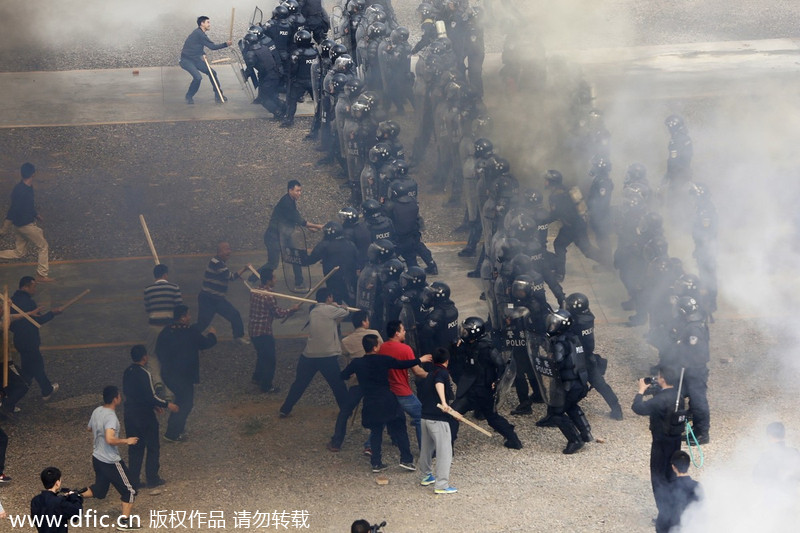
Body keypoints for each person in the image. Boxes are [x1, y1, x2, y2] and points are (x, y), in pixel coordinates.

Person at [340, 334, 432, 472]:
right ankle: (406, 460)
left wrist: (353, 374)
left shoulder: (357, 363)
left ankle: (376, 463)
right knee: (400, 429)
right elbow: (402, 364)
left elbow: (343, 375)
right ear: (376, 347)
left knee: (376, 431)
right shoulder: (383, 360)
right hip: (388, 400)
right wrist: (420, 359)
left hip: (370, 402)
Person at [279, 288, 350, 417]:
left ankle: (285, 409)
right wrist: (342, 306)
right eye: (331, 297)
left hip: (308, 355)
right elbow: (345, 312)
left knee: (299, 383)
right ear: (328, 298)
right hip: (327, 356)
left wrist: (334, 306)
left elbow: (334, 321)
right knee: (337, 385)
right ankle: (346, 410)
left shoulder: (313, 310)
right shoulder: (330, 309)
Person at [632, 365, 684, 524]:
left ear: (662, 378)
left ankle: (665, 517)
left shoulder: (661, 399)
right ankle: (675, 513)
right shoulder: (678, 395)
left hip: (661, 444)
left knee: (659, 479)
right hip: (675, 441)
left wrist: (640, 391)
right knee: (671, 476)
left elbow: (638, 408)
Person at [156, 305, 217, 442]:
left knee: (181, 400)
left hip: (168, 374)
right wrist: (212, 334)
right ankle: (172, 433)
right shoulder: (190, 331)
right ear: (182, 317)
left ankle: (177, 428)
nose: (190, 317)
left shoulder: (166, 331)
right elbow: (206, 343)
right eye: (188, 315)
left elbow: (159, 351)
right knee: (186, 403)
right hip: (185, 375)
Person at [82, 386, 140, 531]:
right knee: (130, 490)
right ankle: (124, 522)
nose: (120, 397)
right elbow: (109, 439)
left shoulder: (97, 411)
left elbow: (89, 428)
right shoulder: (111, 417)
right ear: (115, 398)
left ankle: (71, 495)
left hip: (97, 458)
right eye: (119, 395)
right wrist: (127, 441)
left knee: (100, 490)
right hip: (110, 461)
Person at [122, 345, 178, 490]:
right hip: (145, 417)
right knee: (152, 446)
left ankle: (134, 480)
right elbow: (151, 396)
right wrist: (167, 404)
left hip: (130, 415)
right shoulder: (144, 373)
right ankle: (152, 478)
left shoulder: (127, 372)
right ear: (144, 357)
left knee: (135, 448)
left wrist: (153, 405)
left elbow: (135, 395)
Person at [327, 310, 383, 453]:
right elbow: (381, 351)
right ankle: (374, 443)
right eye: (367, 319)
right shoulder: (375, 334)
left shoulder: (346, 341)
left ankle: (336, 442)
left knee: (345, 411)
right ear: (364, 322)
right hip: (376, 380)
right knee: (379, 410)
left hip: (357, 381)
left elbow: (346, 359)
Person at [8, 276, 63, 407]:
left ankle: (46, 389)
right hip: (30, 341)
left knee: (31, 368)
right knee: (34, 369)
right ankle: (10, 400)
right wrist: (52, 313)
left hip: (19, 341)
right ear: (25, 287)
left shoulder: (13, 301)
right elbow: (37, 322)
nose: (35, 289)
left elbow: (10, 323)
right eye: (34, 286)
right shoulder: (29, 303)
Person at [263, 180, 324, 293]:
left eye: (300, 191)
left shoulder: (291, 200)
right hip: (274, 237)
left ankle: (299, 282)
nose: (299, 193)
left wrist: (308, 227)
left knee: (295, 257)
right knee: (273, 263)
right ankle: (255, 277)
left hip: (284, 235)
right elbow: (300, 220)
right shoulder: (286, 202)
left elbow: (294, 218)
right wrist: (318, 226)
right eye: (297, 191)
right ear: (290, 190)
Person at [249, 267, 300, 393]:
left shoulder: (254, 291)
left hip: (253, 330)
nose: (276, 280)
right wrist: (291, 310)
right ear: (268, 280)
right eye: (274, 278)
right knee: (270, 359)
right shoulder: (269, 296)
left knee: (261, 355)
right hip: (264, 331)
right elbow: (277, 313)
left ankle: (257, 377)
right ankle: (266, 386)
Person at [0, 163, 54, 282]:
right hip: (25, 226)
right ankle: (41, 274)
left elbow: (28, 205)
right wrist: (4, 229)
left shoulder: (23, 188)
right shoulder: (22, 191)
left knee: (19, 253)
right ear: (33, 174)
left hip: (18, 226)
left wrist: (36, 214)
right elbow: (13, 210)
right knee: (43, 246)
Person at [380, 320, 427, 449]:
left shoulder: (382, 347)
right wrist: (432, 376)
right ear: (397, 333)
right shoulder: (406, 349)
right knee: (420, 416)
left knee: (384, 417)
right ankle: (425, 449)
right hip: (402, 391)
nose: (405, 331)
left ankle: (370, 445)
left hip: (387, 390)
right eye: (402, 329)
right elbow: (417, 371)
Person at [418, 347, 457, 494]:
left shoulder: (430, 373)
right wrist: (444, 403)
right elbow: (439, 383)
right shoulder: (442, 372)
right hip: (438, 419)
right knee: (445, 451)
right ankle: (441, 485)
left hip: (425, 416)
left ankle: (426, 475)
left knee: (426, 449)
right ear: (447, 361)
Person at [195, 242, 249, 343]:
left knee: (234, 315)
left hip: (217, 299)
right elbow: (230, 277)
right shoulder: (216, 262)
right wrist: (245, 268)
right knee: (203, 323)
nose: (229, 252)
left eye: (229, 249)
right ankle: (187, 336)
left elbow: (224, 276)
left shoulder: (220, 263)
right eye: (226, 249)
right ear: (219, 252)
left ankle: (238, 337)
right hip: (209, 299)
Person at [142, 264, 182, 397]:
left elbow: (148, 308)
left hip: (154, 326)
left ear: (155, 276)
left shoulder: (148, 290)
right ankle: (170, 390)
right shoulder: (174, 288)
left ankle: (157, 382)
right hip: (170, 328)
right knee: (170, 356)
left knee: (152, 354)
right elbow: (179, 309)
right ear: (165, 275)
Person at [179, 16, 231, 104]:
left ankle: (218, 95)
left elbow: (196, 46)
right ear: (202, 23)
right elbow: (212, 47)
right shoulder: (199, 34)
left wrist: (202, 54)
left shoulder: (198, 33)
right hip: (186, 60)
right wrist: (226, 44)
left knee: (212, 73)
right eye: (207, 22)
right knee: (198, 77)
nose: (209, 24)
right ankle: (189, 96)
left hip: (196, 59)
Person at [656, 450, 702, 533]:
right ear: (688, 465)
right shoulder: (698, 487)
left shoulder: (668, 488)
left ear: (673, 467)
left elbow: (662, 520)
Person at [30, 466, 83, 533]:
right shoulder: (59, 502)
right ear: (57, 483)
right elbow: (77, 512)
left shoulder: (35, 500)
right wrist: (74, 497)